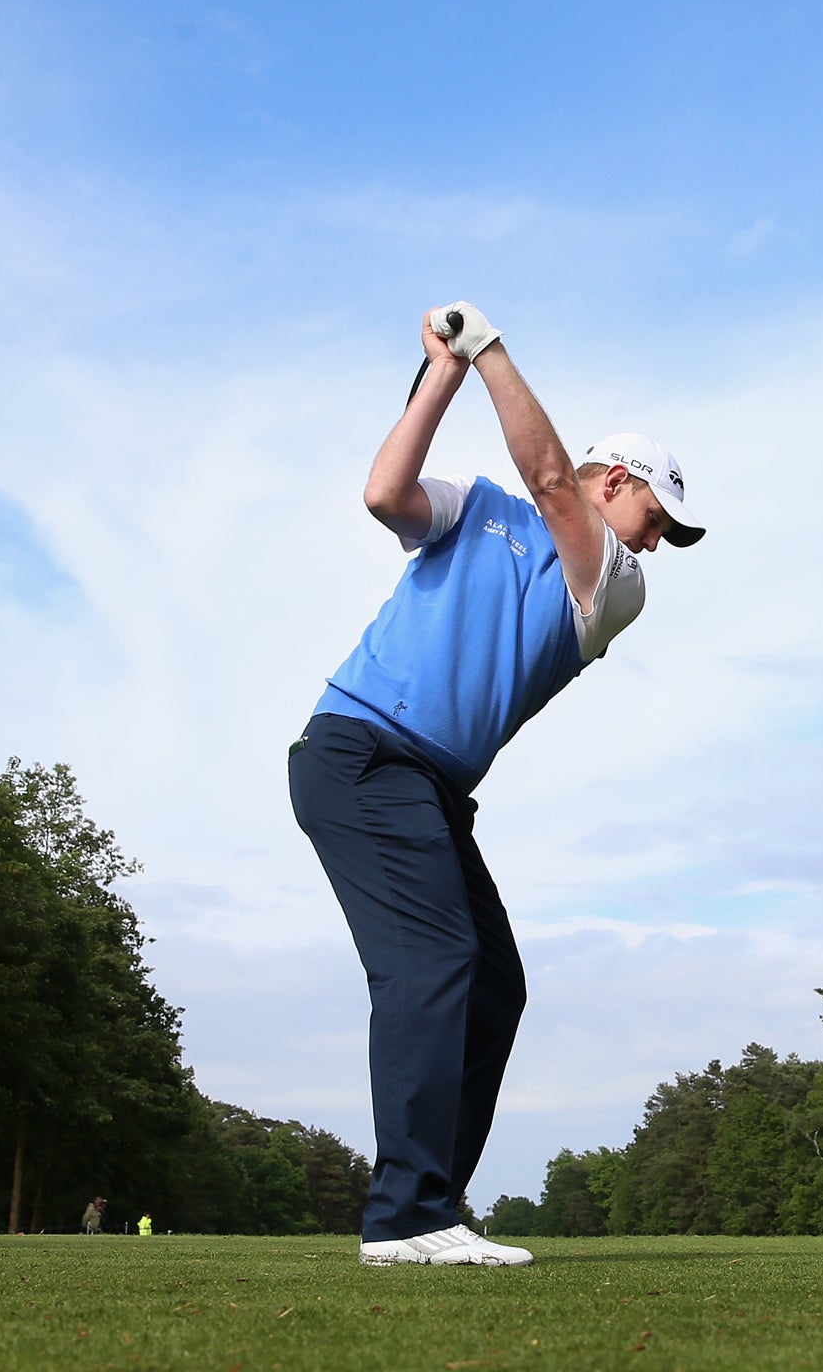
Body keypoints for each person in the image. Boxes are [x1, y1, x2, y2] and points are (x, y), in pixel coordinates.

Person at [289, 305, 703, 1268]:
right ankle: (408, 1220)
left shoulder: (612, 586)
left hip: (426, 788)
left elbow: (552, 482)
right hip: (361, 755)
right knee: (435, 964)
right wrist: (445, 369)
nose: (658, 545)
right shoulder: (478, 505)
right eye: (657, 518)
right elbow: (385, 494)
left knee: (493, 986)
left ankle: (432, 1201)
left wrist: (490, 352)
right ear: (620, 482)